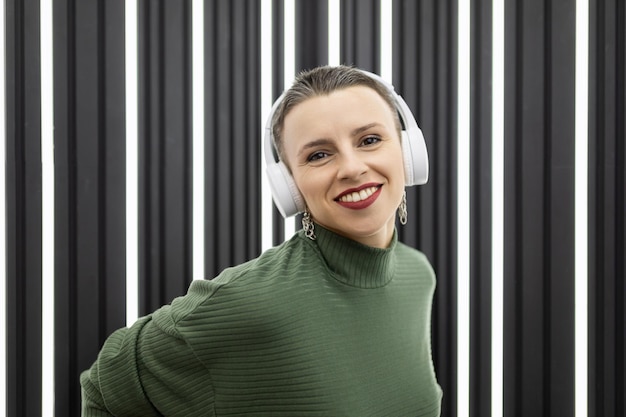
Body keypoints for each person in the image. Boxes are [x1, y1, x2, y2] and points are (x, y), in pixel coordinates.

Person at [80, 65, 442, 416]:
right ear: (291, 187)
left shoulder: (417, 274)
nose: (351, 168)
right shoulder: (250, 302)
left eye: (370, 140)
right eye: (319, 155)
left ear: (408, 151)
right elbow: (105, 384)